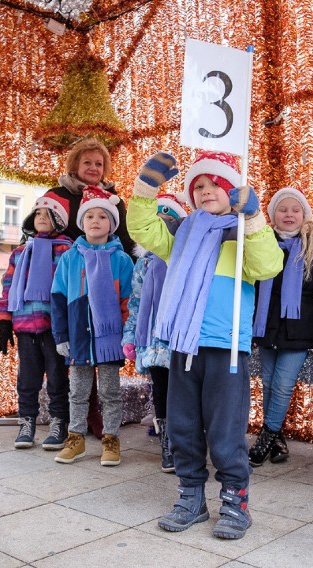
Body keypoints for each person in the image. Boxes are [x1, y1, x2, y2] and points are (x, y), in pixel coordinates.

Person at [128, 150, 283, 540]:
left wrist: (253, 217)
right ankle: (190, 496)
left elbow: (268, 265)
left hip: (226, 347)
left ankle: (235, 500)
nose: (206, 190)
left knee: (225, 428)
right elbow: (142, 228)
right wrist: (146, 189)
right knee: (182, 425)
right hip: (184, 344)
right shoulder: (181, 233)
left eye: (215, 183)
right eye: (198, 185)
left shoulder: (242, 234)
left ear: (233, 189)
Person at [249, 187, 313, 466]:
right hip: (266, 324)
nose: (289, 214)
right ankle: (276, 437)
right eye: (283, 209)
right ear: (272, 215)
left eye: (295, 209)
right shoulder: (263, 241)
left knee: (283, 385)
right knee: (269, 383)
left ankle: (265, 437)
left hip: (299, 327)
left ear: (304, 215)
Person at [48, 137, 133, 439]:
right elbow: (40, 226)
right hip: (73, 284)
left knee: (108, 379)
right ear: (75, 164)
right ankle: (68, 426)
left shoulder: (115, 201)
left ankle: (106, 430)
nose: (94, 168)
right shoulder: (57, 195)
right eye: (87, 162)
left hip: (107, 286)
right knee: (75, 375)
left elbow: (126, 238)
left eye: (99, 163)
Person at [0, 192, 73, 450]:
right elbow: (8, 286)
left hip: (54, 327)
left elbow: (70, 288)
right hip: (25, 325)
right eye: (37, 213)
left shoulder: (66, 249)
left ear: (59, 221)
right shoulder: (20, 252)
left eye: (47, 215)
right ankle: (26, 421)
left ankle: (58, 422)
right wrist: (5, 320)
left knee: (57, 377)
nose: (41, 218)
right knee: (27, 379)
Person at [122, 192, 188, 473]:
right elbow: (136, 301)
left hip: (180, 337)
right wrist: (129, 336)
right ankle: (167, 443)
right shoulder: (144, 263)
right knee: (161, 390)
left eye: (168, 220)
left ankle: (187, 442)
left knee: (184, 391)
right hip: (153, 339)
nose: (161, 226)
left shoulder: (184, 259)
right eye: (156, 221)